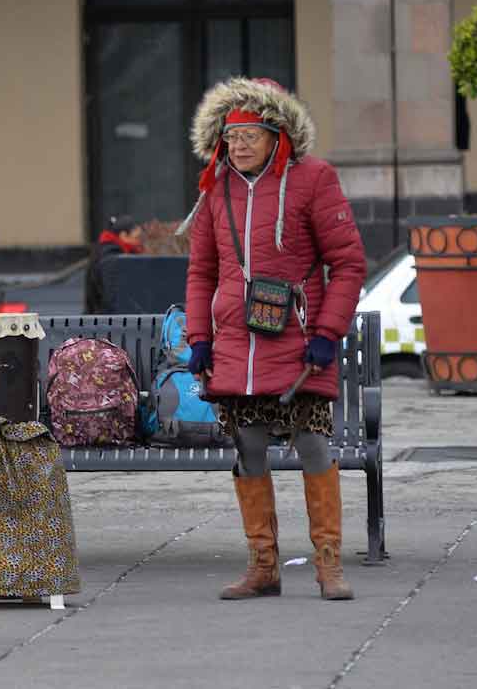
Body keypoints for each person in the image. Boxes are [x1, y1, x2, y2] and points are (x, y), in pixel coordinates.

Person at [183, 77, 366, 601]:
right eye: (230, 135)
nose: (238, 145)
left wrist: (329, 332)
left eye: (250, 135)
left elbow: (349, 263)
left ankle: (329, 565)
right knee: (250, 446)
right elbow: (201, 273)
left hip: (301, 341)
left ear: (278, 134)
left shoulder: (315, 179)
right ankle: (263, 566)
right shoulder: (214, 190)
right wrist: (200, 338)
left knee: (312, 443)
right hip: (235, 347)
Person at [84, 213, 144, 314]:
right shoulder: (112, 257)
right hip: (106, 321)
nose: (139, 242)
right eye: (137, 237)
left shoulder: (106, 250)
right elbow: (113, 297)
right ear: (124, 235)